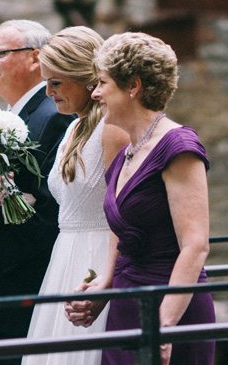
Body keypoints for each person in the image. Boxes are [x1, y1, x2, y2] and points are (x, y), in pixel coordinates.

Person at [65, 32, 215, 365]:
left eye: (103, 83)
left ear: (133, 86)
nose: (95, 93)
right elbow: (121, 228)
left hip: (169, 308)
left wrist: (163, 327)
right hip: (125, 303)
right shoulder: (125, 154)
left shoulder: (178, 148)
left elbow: (195, 246)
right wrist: (105, 284)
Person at [0, 20, 75, 365]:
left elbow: (52, 213)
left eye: (1, 53)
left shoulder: (53, 117)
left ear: (35, 58)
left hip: (19, 287)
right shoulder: (13, 116)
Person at [22, 27, 129, 365]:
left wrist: (107, 280)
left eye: (56, 83)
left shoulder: (111, 130)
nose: (49, 93)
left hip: (96, 257)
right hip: (63, 257)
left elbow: (120, 211)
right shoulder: (72, 127)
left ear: (85, 79)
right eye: (45, 83)